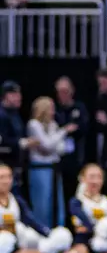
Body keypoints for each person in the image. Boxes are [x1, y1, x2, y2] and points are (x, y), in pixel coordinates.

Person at [26, 96, 67, 228]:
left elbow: (61, 148)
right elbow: (47, 145)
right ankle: (42, 228)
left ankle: (59, 230)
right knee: (42, 202)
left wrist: (51, 143)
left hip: (54, 167)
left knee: (57, 201)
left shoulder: (53, 125)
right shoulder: (33, 124)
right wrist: (63, 131)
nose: (53, 112)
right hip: (39, 168)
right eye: (51, 108)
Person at [53, 75, 89, 206]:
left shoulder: (79, 107)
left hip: (76, 157)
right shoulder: (55, 110)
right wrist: (66, 129)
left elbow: (84, 127)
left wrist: (73, 128)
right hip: (58, 158)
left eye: (65, 91)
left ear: (72, 91)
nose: (63, 95)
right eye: (60, 92)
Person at [0, 82, 26, 181]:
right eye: (14, 94)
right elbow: (2, 139)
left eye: (19, 94)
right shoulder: (2, 114)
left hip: (16, 163)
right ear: (6, 96)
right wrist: (20, 143)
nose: (19, 97)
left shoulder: (15, 114)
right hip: (4, 163)